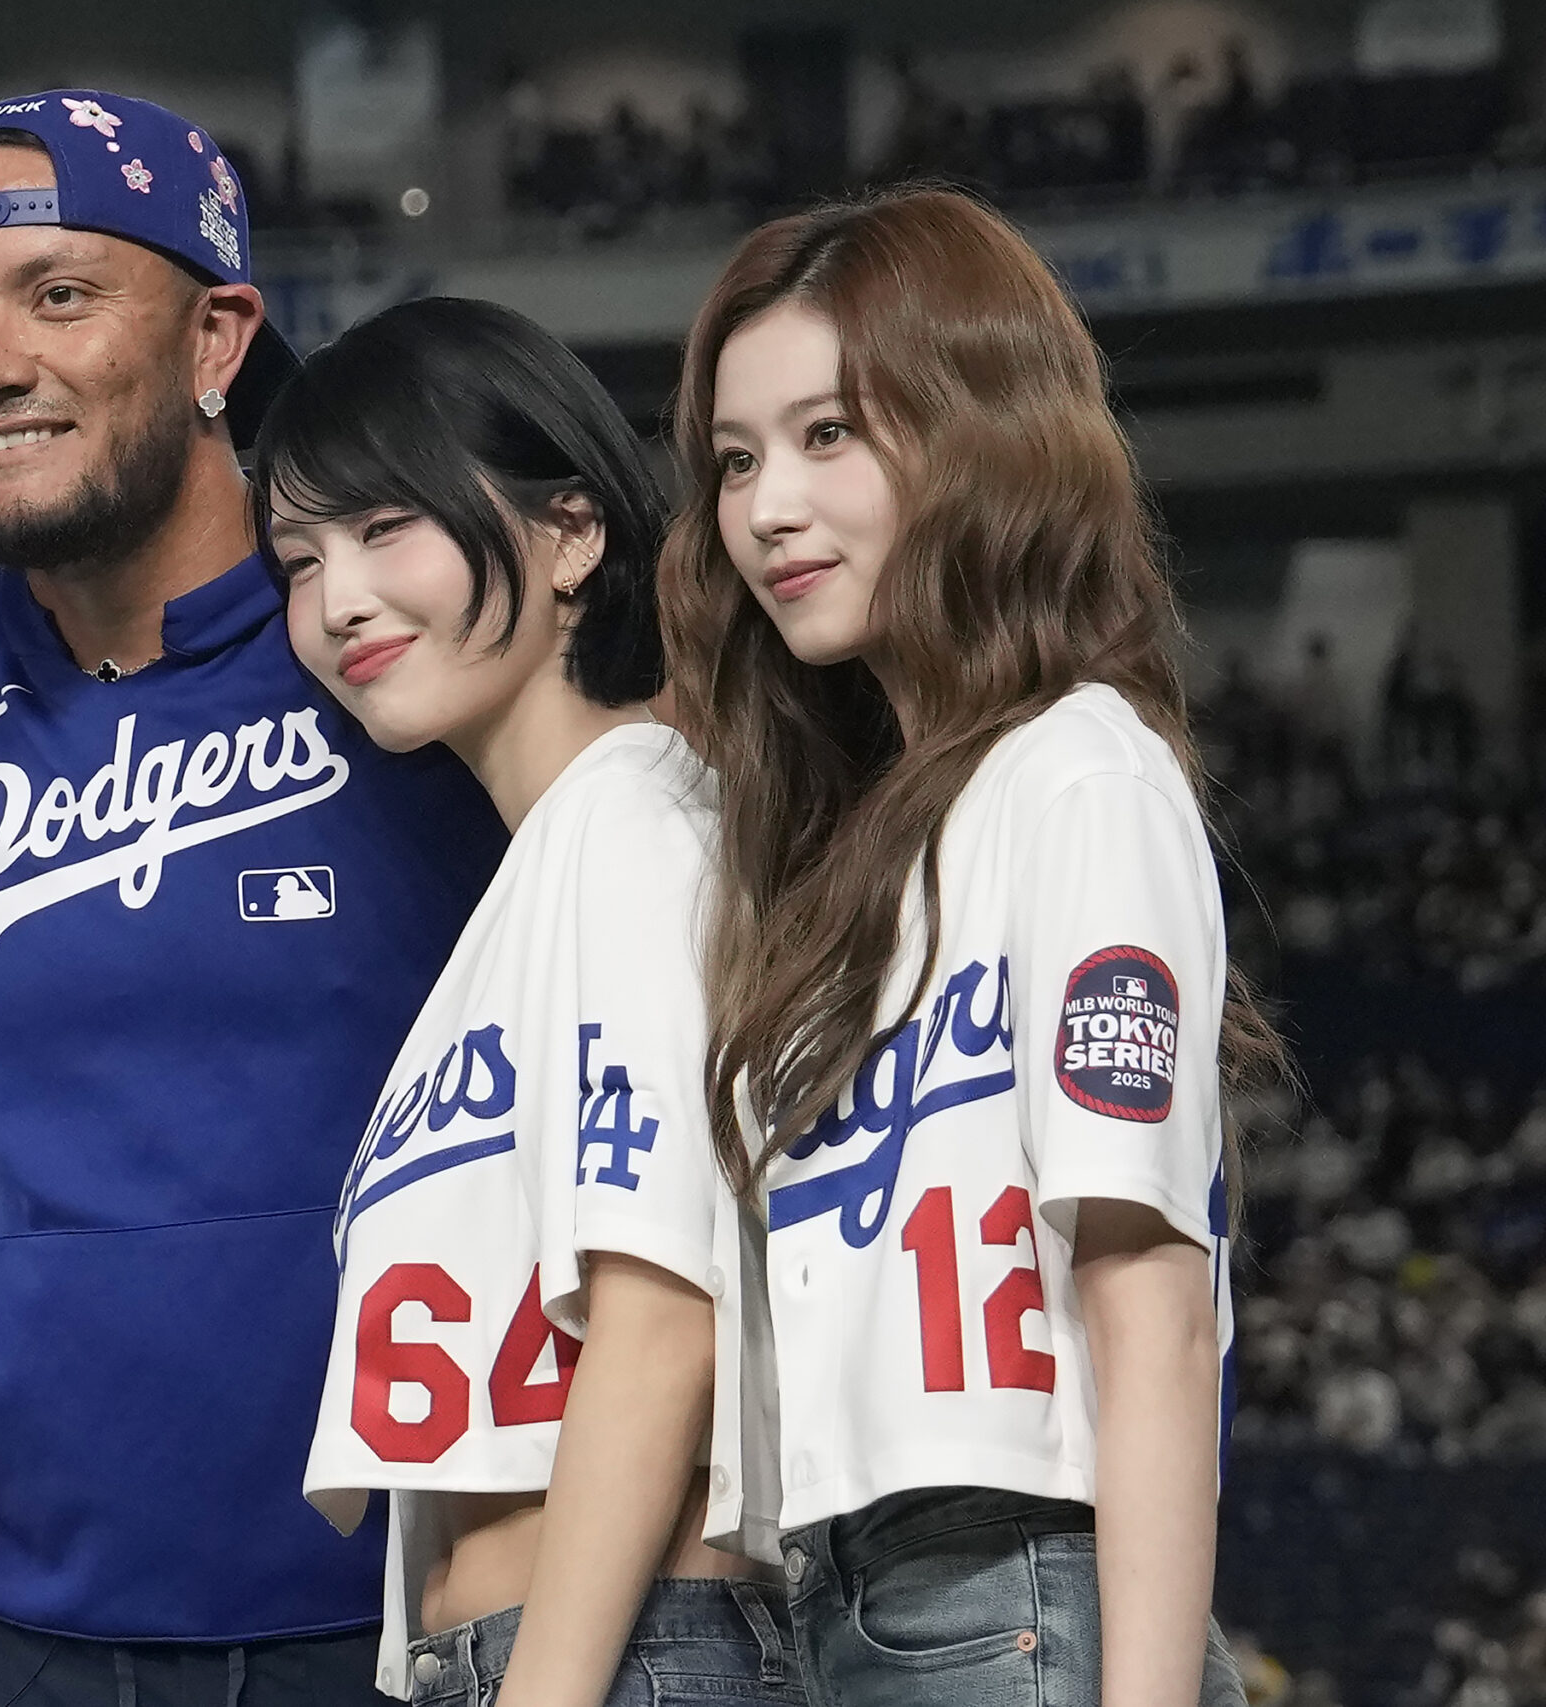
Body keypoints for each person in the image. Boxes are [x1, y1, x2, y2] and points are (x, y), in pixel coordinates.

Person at [0, 91, 505, 1705]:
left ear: (220, 336)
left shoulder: (407, 652)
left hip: (428, 1602)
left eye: (60, 296)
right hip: (40, 1628)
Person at [662, 187, 1280, 1704]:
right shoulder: (845, 839)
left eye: (830, 436)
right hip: (851, 1594)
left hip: (1018, 1585)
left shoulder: (1079, 770)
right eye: (735, 461)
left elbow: (1149, 1300)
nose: (767, 509)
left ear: (982, 434)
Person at [264, 297, 799, 1707]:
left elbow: (660, 1322)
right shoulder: (549, 861)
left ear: (571, 534)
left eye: (387, 529)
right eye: (297, 560)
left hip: (627, 1655)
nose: (337, 603)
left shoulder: (633, 821)